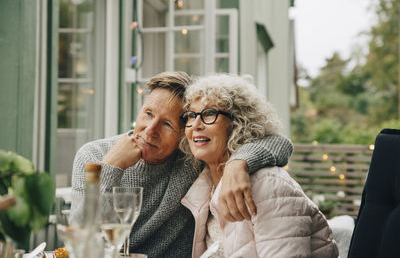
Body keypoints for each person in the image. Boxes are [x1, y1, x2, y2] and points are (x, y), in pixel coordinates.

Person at [71, 71, 293, 258]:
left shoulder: (191, 159)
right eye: (148, 114)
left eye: (166, 124)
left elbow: (280, 143)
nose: (150, 130)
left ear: (184, 134)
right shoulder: (94, 154)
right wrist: (110, 166)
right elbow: (79, 239)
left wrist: (239, 162)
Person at [180, 74, 339, 258]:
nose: (196, 125)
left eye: (209, 113)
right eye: (191, 115)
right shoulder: (202, 185)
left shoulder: (269, 185)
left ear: (238, 123)